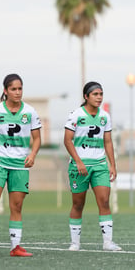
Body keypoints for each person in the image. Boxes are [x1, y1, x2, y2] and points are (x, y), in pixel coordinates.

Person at [0, 73, 41, 257]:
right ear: (5, 91)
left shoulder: (30, 112)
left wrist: (33, 154)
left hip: (20, 166)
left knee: (17, 206)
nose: (17, 92)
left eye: (20, 88)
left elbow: (37, 139)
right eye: (13, 89)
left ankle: (15, 247)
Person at [64, 81, 121, 251]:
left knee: (104, 201)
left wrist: (112, 165)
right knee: (78, 204)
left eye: (101, 94)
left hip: (99, 165)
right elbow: (67, 140)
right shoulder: (76, 115)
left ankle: (108, 242)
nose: (99, 97)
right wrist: (79, 162)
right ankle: (75, 243)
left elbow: (108, 141)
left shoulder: (105, 117)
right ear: (86, 96)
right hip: (79, 167)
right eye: (95, 94)